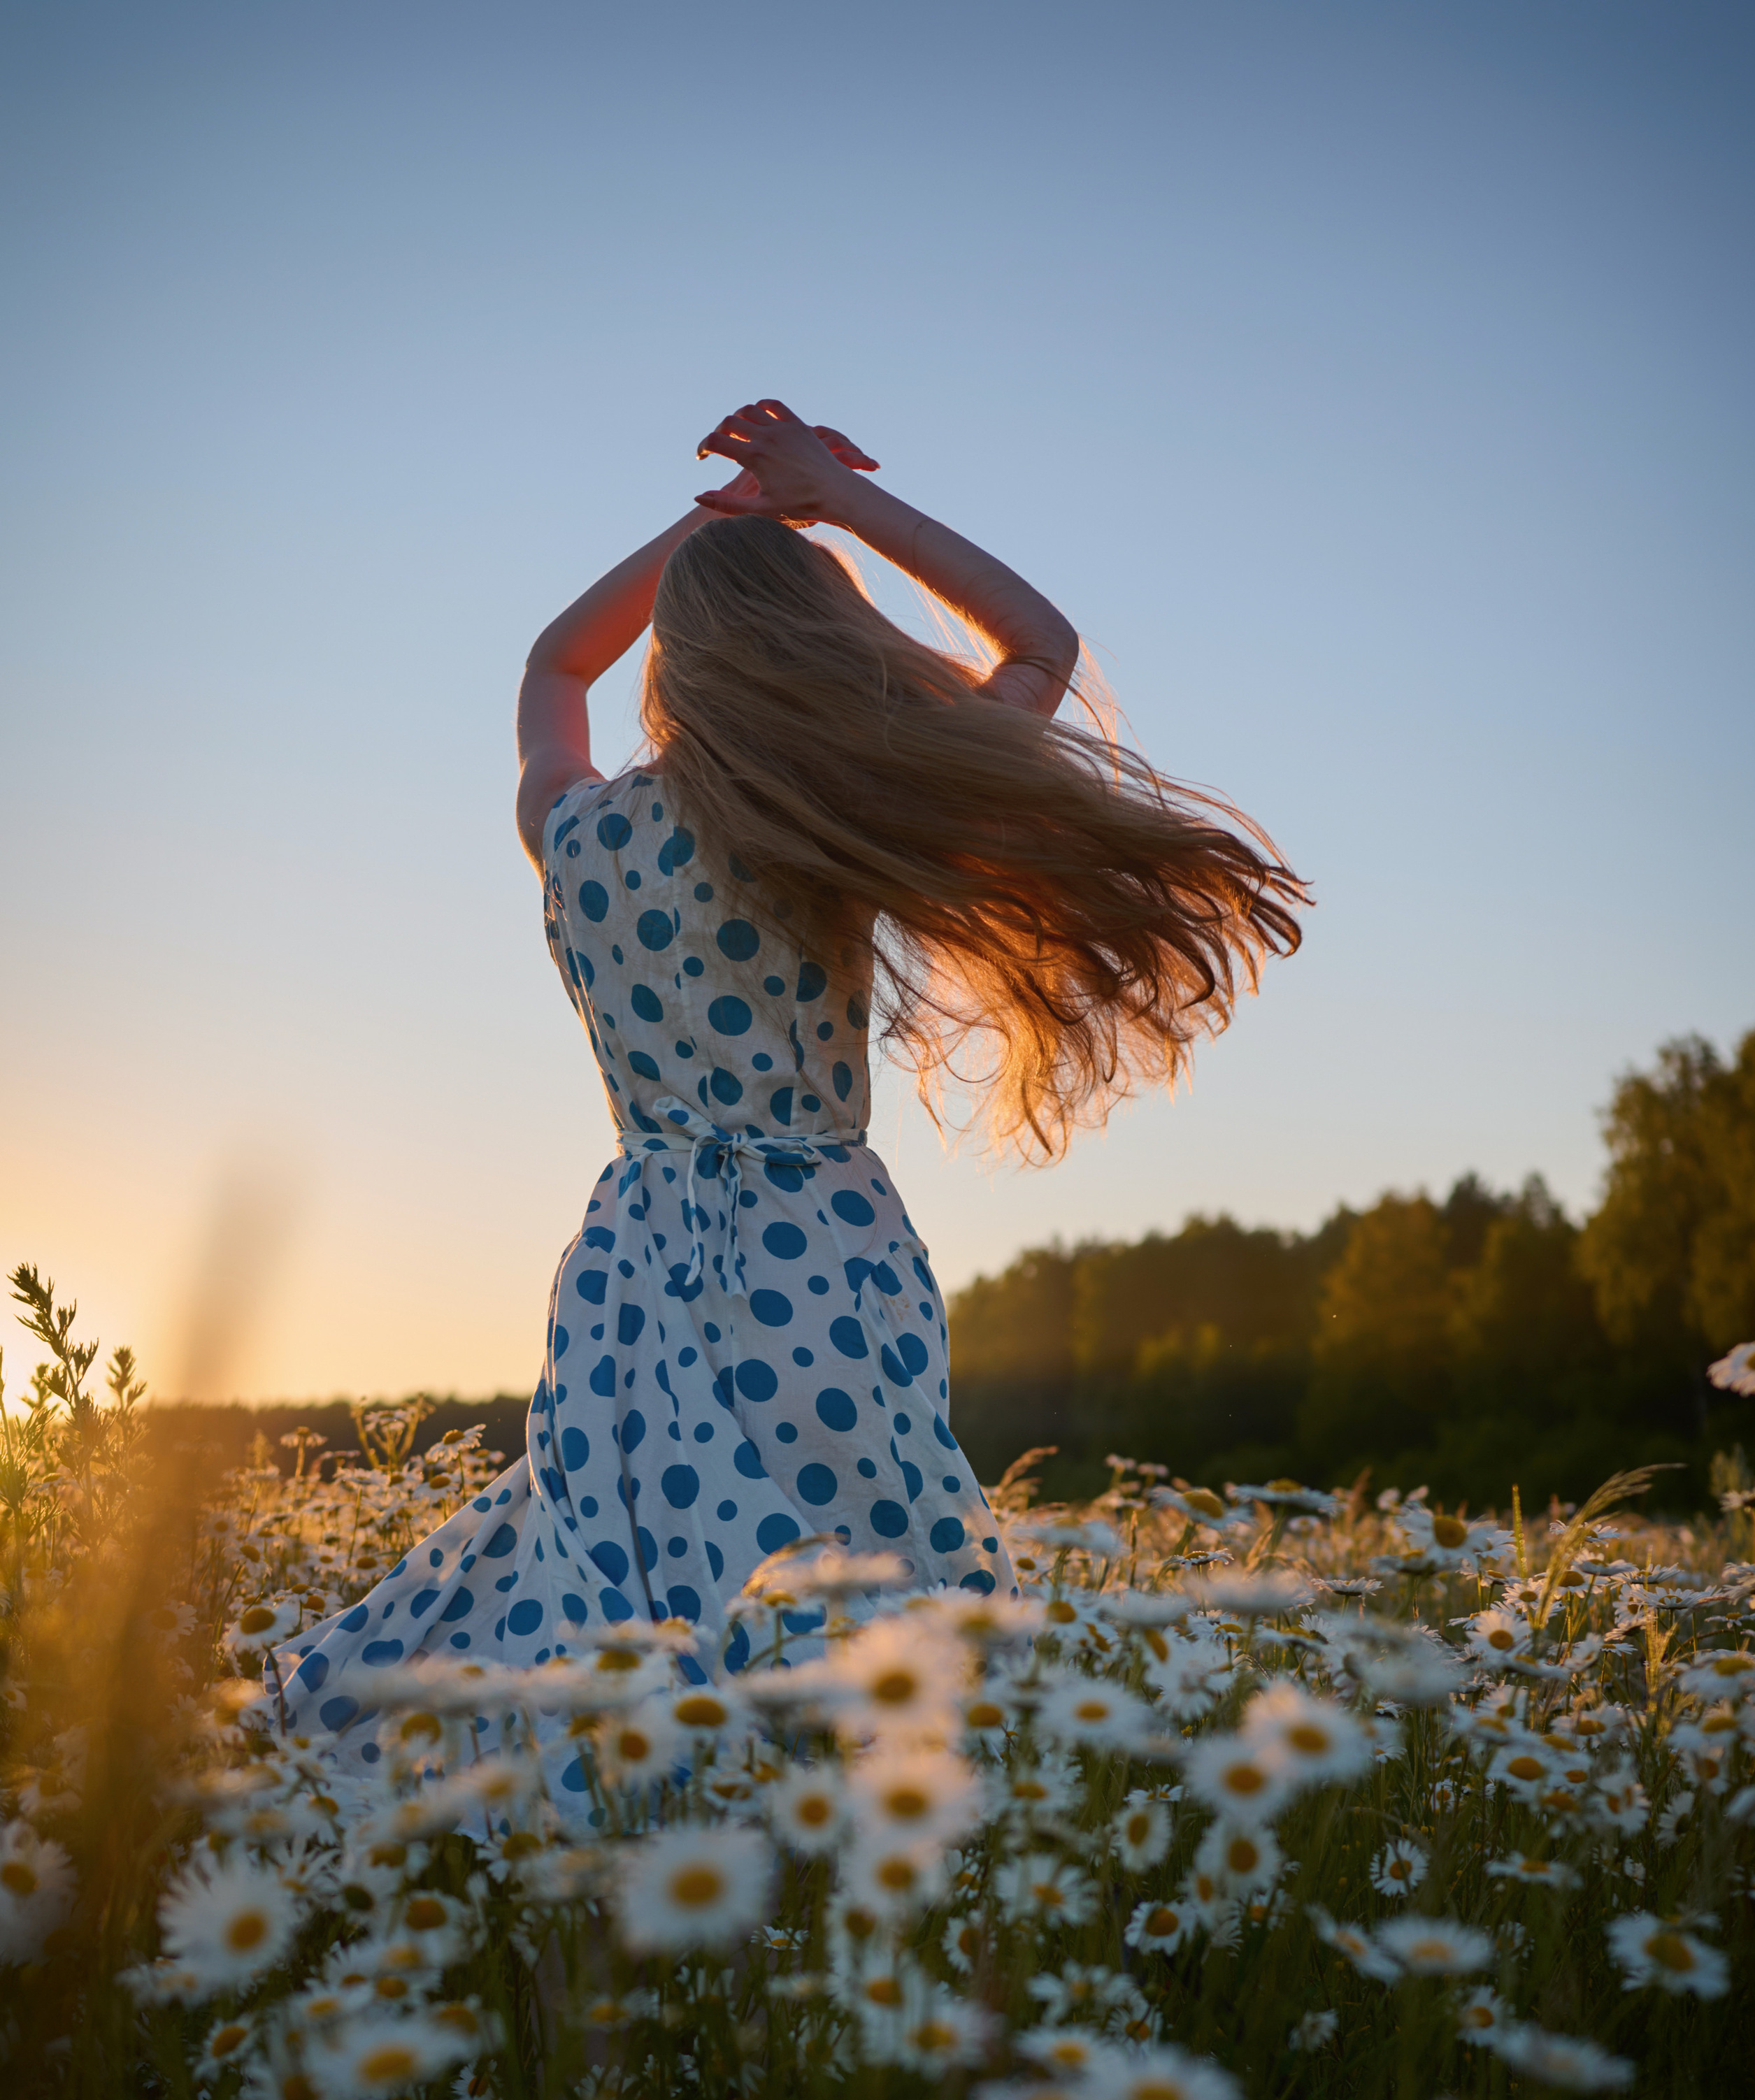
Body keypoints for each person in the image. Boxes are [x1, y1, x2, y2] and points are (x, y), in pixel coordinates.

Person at [270, 401, 1305, 1795]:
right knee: (866, 1550)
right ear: (821, 646)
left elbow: (553, 664)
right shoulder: (832, 814)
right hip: (818, 1247)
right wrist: (829, 502)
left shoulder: (577, 832)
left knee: (625, 1554)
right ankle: (849, 1817)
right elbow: (1040, 646)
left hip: (633, 1251)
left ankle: (616, 1809)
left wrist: (715, 520)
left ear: (673, 664)